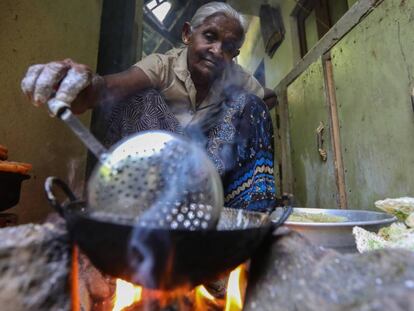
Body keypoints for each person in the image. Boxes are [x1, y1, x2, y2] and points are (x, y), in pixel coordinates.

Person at [21, 1, 277, 211]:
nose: (216, 50)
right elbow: (108, 88)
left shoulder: (236, 76)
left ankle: (245, 214)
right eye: (209, 37)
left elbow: (268, 98)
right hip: (155, 174)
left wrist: (230, 117)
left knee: (252, 105)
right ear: (188, 34)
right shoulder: (162, 65)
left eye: (229, 47)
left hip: (207, 176)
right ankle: (127, 206)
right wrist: (83, 88)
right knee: (139, 98)